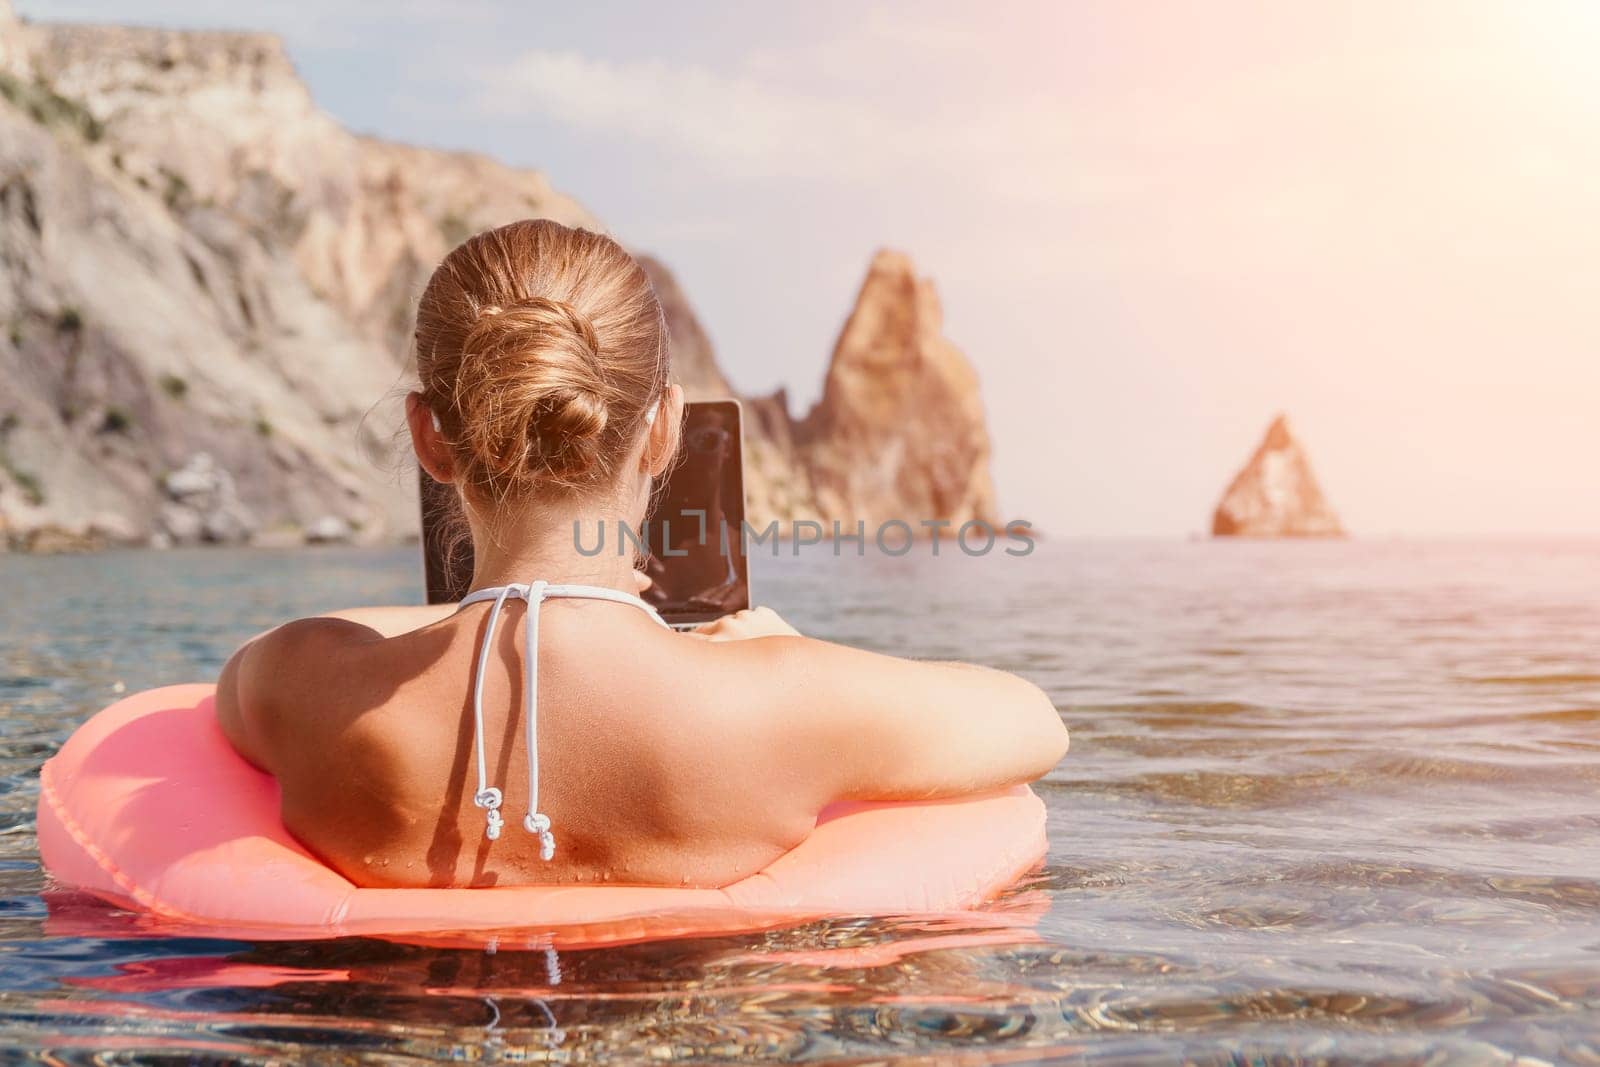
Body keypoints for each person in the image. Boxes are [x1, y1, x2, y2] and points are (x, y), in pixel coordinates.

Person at [216, 219, 1068, 889]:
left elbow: (248, 671)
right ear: (663, 429)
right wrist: (780, 649)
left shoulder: (305, 682)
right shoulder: (781, 701)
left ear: (429, 440)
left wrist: (456, 618)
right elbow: (1035, 720)